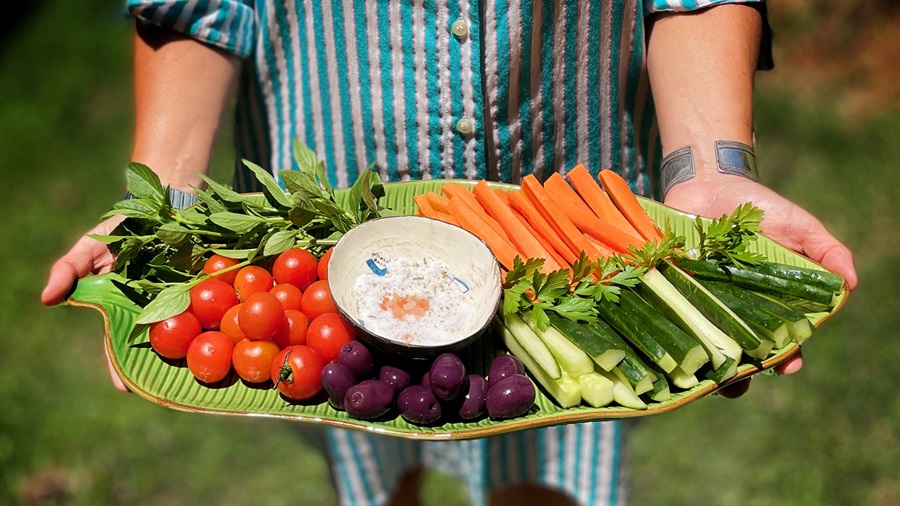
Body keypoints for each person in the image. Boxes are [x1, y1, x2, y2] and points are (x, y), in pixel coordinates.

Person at [42, 1, 857, 505]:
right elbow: (194, 4)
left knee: (553, 464)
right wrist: (170, 205)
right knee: (365, 443)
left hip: (566, 212)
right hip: (338, 190)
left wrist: (710, 170)